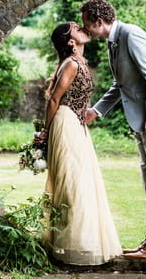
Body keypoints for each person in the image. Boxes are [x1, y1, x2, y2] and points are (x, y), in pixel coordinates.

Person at [80, 0, 146, 261]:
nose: (86, 30)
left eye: (87, 24)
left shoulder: (132, 35)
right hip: (143, 119)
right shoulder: (113, 40)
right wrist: (97, 110)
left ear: (98, 21)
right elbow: (121, 84)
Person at [37, 21, 121, 265]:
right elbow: (54, 99)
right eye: (75, 27)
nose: (81, 27)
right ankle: (68, 249)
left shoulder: (79, 62)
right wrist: (45, 132)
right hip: (65, 124)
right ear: (71, 42)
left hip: (76, 124)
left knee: (82, 182)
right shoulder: (72, 63)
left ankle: (79, 246)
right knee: (73, 184)